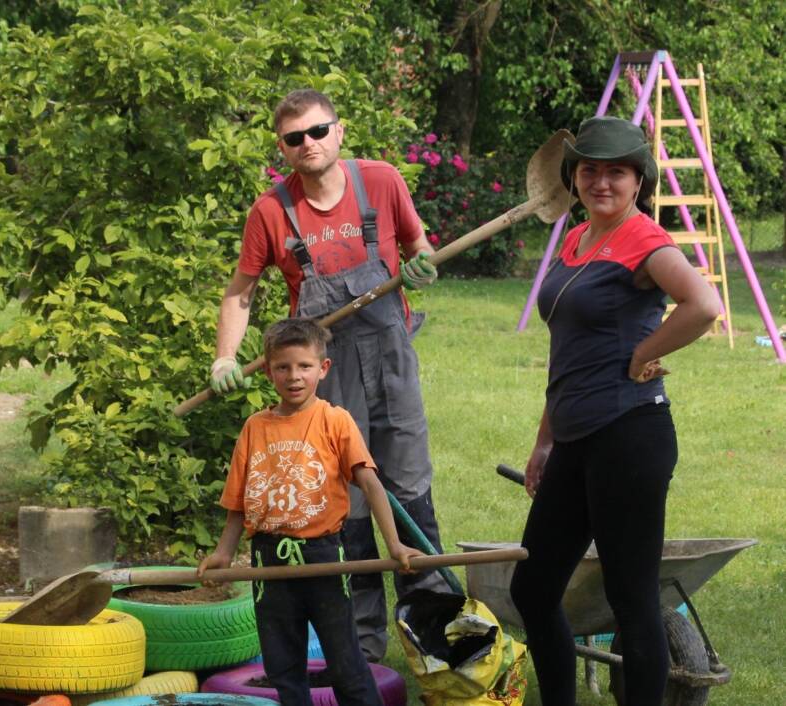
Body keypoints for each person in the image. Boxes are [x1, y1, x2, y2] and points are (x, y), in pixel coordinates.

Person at [211, 88, 451, 661]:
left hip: (391, 358)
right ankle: (362, 646)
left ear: (339, 132)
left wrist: (423, 268)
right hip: (325, 370)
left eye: (319, 132)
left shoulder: (382, 181)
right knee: (345, 500)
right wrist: (225, 356)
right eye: (295, 138)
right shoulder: (272, 211)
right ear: (282, 149)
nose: (309, 144)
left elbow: (422, 250)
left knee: (410, 485)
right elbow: (240, 294)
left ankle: (437, 633)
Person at [509, 116, 719, 705]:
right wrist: (545, 441)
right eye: (590, 171)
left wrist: (643, 354)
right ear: (573, 177)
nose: (602, 182)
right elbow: (567, 354)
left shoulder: (645, 239)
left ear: (639, 180)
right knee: (534, 587)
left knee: (631, 600)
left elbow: (703, 304)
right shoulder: (577, 239)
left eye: (617, 173)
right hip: (575, 436)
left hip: (629, 435)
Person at [199, 318, 425, 706]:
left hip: (324, 560)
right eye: (283, 367)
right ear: (268, 371)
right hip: (268, 564)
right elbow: (238, 501)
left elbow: (371, 485)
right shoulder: (255, 427)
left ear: (323, 369)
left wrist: (395, 545)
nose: (294, 376)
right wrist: (223, 552)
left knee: (346, 664)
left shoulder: (334, 420)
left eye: (304, 366)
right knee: (283, 668)